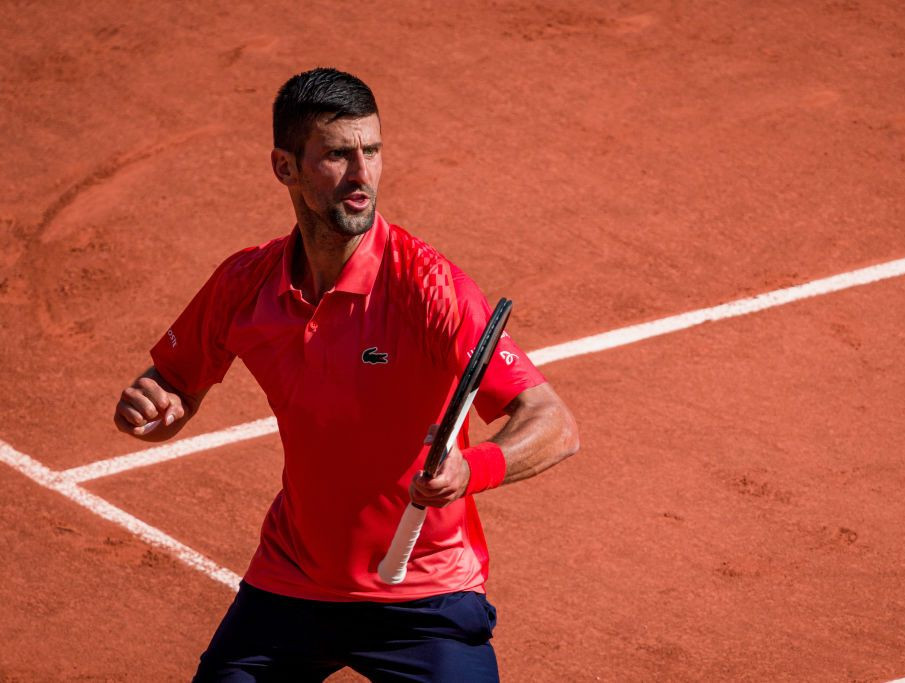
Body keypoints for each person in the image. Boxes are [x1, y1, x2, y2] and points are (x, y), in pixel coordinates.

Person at [113, 67, 580, 681]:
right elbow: (174, 382)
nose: (362, 175)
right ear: (284, 168)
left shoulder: (429, 289)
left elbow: (553, 422)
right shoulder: (244, 283)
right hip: (293, 582)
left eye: (373, 150)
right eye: (337, 154)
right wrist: (158, 408)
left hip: (423, 595)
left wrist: (473, 468)